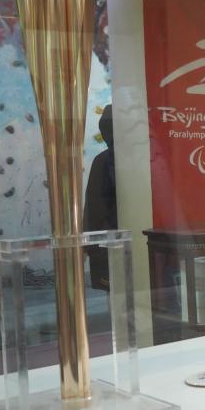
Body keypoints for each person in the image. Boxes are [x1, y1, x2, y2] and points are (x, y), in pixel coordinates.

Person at [84, 105, 117, 289]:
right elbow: (95, 207)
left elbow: (94, 208)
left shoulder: (103, 160)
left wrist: (90, 245)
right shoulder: (104, 161)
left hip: (111, 243)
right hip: (112, 243)